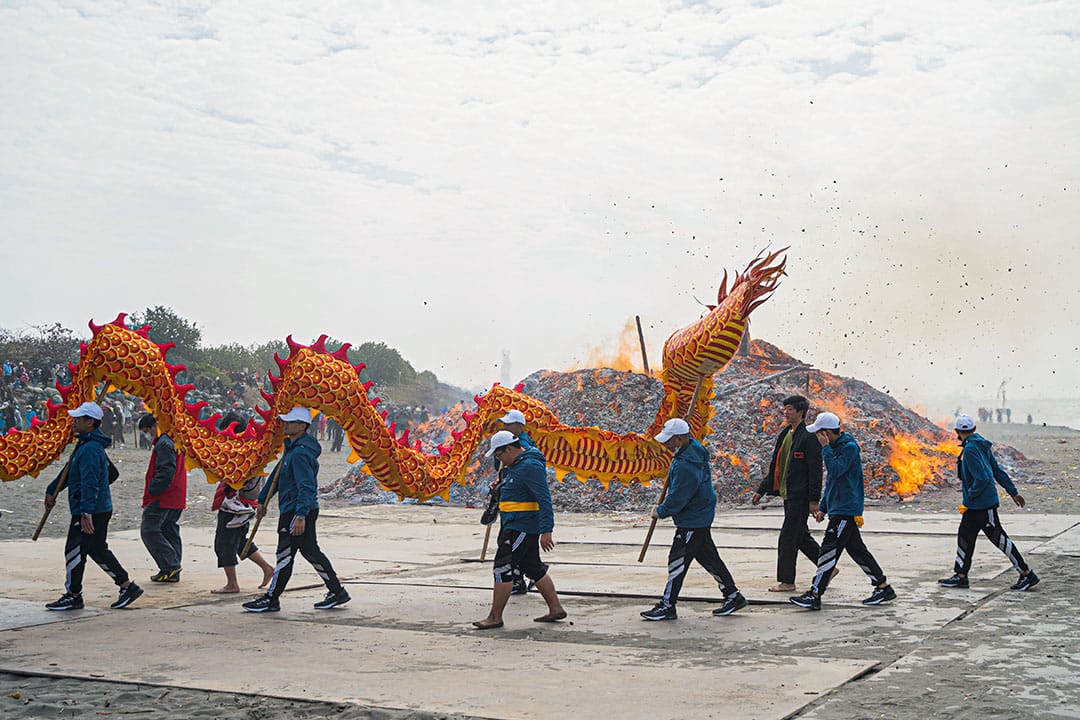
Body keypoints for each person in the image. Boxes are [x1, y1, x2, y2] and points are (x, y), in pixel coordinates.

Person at [242, 406, 350, 613]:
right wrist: (263, 500)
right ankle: (337, 591)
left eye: (290, 422)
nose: (286, 425)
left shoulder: (300, 453)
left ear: (302, 426)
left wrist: (300, 515)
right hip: (299, 508)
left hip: (297, 510)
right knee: (311, 551)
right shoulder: (292, 447)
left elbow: (307, 486)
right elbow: (278, 475)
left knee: (284, 555)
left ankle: (271, 598)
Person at [640, 418, 747, 621]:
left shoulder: (686, 465)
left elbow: (679, 496)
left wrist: (661, 511)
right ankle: (733, 596)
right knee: (710, 559)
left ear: (679, 439)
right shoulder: (690, 452)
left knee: (677, 562)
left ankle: (667, 605)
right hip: (700, 515)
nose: (664, 444)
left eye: (668, 440)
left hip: (692, 519)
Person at [788, 412, 896, 611]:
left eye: (820, 434)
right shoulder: (836, 447)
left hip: (846, 509)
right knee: (857, 551)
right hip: (838, 508)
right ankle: (883, 586)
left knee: (828, 551)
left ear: (827, 433)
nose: (818, 438)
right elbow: (832, 481)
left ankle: (815, 593)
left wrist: (825, 449)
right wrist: (824, 507)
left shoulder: (848, 448)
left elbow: (836, 470)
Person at [44, 402, 143, 611]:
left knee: (74, 550)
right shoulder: (87, 445)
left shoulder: (90, 448)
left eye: (78, 419)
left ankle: (73, 594)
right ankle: (127, 586)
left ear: (90, 423)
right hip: (98, 507)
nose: (74, 422)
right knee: (96, 548)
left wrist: (86, 511)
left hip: (91, 510)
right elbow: (70, 472)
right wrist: (52, 490)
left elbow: (89, 481)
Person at [472, 430, 566, 629]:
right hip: (512, 524)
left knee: (502, 567)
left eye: (499, 455)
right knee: (533, 568)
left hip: (521, 526)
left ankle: (495, 616)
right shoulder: (515, 466)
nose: (499, 460)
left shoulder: (529, 467)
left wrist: (546, 530)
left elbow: (544, 498)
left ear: (509, 449)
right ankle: (555, 609)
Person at [938, 414, 1039, 592]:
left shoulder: (970, 450)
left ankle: (1027, 574)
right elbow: (997, 470)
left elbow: (983, 478)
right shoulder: (980, 445)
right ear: (974, 429)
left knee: (1000, 539)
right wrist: (1012, 492)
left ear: (957, 432)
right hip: (976, 505)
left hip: (982, 505)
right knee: (965, 536)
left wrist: (970, 496)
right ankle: (961, 576)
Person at [752, 395, 823, 592]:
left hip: (800, 496)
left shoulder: (808, 437)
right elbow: (776, 465)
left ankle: (787, 582)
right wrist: (762, 488)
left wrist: (814, 500)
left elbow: (815, 470)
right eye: (785, 408)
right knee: (799, 536)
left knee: (788, 538)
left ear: (800, 411)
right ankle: (827, 567)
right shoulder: (785, 435)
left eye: (790, 408)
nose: (786, 412)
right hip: (787, 494)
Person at [138, 414, 187, 583]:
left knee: (149, 530)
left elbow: (166, 471)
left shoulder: (164, 443)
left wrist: (153, 489)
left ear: (154, 426)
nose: (147, 434)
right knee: (169, 530)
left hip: (164, 496)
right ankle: (173, 569)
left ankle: (170, 566)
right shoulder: (174, 439)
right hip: (177, 495)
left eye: (147, 431)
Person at [496, 409, 536, 596]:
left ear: (519, 426)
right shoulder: (508, 443)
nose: (505, 426)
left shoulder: (525, 448)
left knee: (509, 551)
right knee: (527, 553)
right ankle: (530, 575)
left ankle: (518, 579)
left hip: (520, 508)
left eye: (509, 424)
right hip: (510, 502)